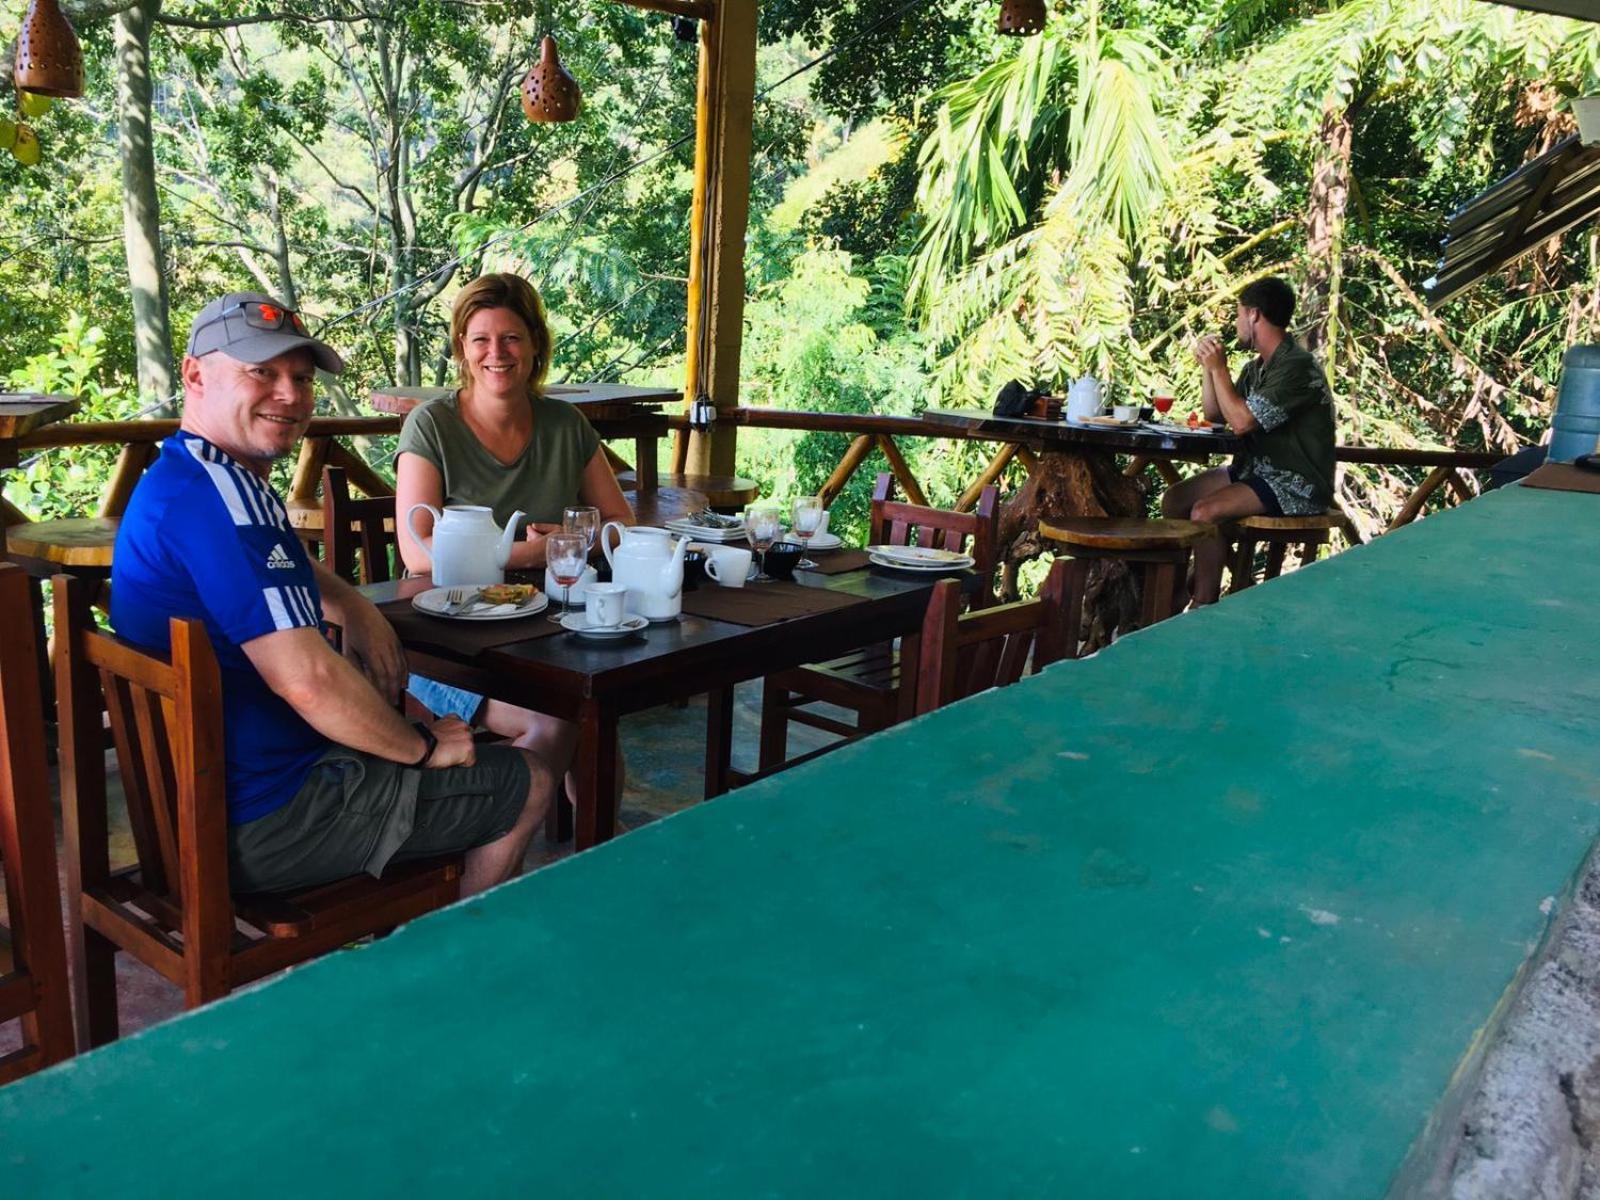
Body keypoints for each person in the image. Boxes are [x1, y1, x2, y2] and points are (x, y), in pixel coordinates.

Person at [111, 292, 555, 898]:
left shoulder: (187, 476)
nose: (289, 394)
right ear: (194, 375)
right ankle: (452, 948)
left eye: (300, 377)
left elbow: (275, 569)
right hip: (269, 818)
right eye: (260, 372)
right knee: (527, 777)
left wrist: (350, 602)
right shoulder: (226, 502)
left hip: (207, 798)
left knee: (402, 718)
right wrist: (423, 749)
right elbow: (308, 682)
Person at [394, 273, 632, 793]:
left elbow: (621, 525)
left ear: (535, 345)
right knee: (561, 719)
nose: (496, 353)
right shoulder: (432, 425)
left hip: (550, 631)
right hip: (448, 644)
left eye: (511, 338)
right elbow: (417, 553)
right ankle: (505, 843)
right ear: (463, 346)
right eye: (481, 339)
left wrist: (571, 541)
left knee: (599, 718)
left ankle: (596, 847)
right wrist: (533, 552)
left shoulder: (566, 424)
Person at [1161, 276, 1336, 603]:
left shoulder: (1297, 366)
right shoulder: (1256, 369)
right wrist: (1209, 369)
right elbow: (1216, 415)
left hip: (1295, 483)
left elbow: (1241, 422)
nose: (1236, 322)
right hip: (1254, 471)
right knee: (1175, 501)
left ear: (1254, 314)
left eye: (1238, 314)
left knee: (1205, 512)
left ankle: (1203, 605)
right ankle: (1174, 594)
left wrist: (1221, 370)